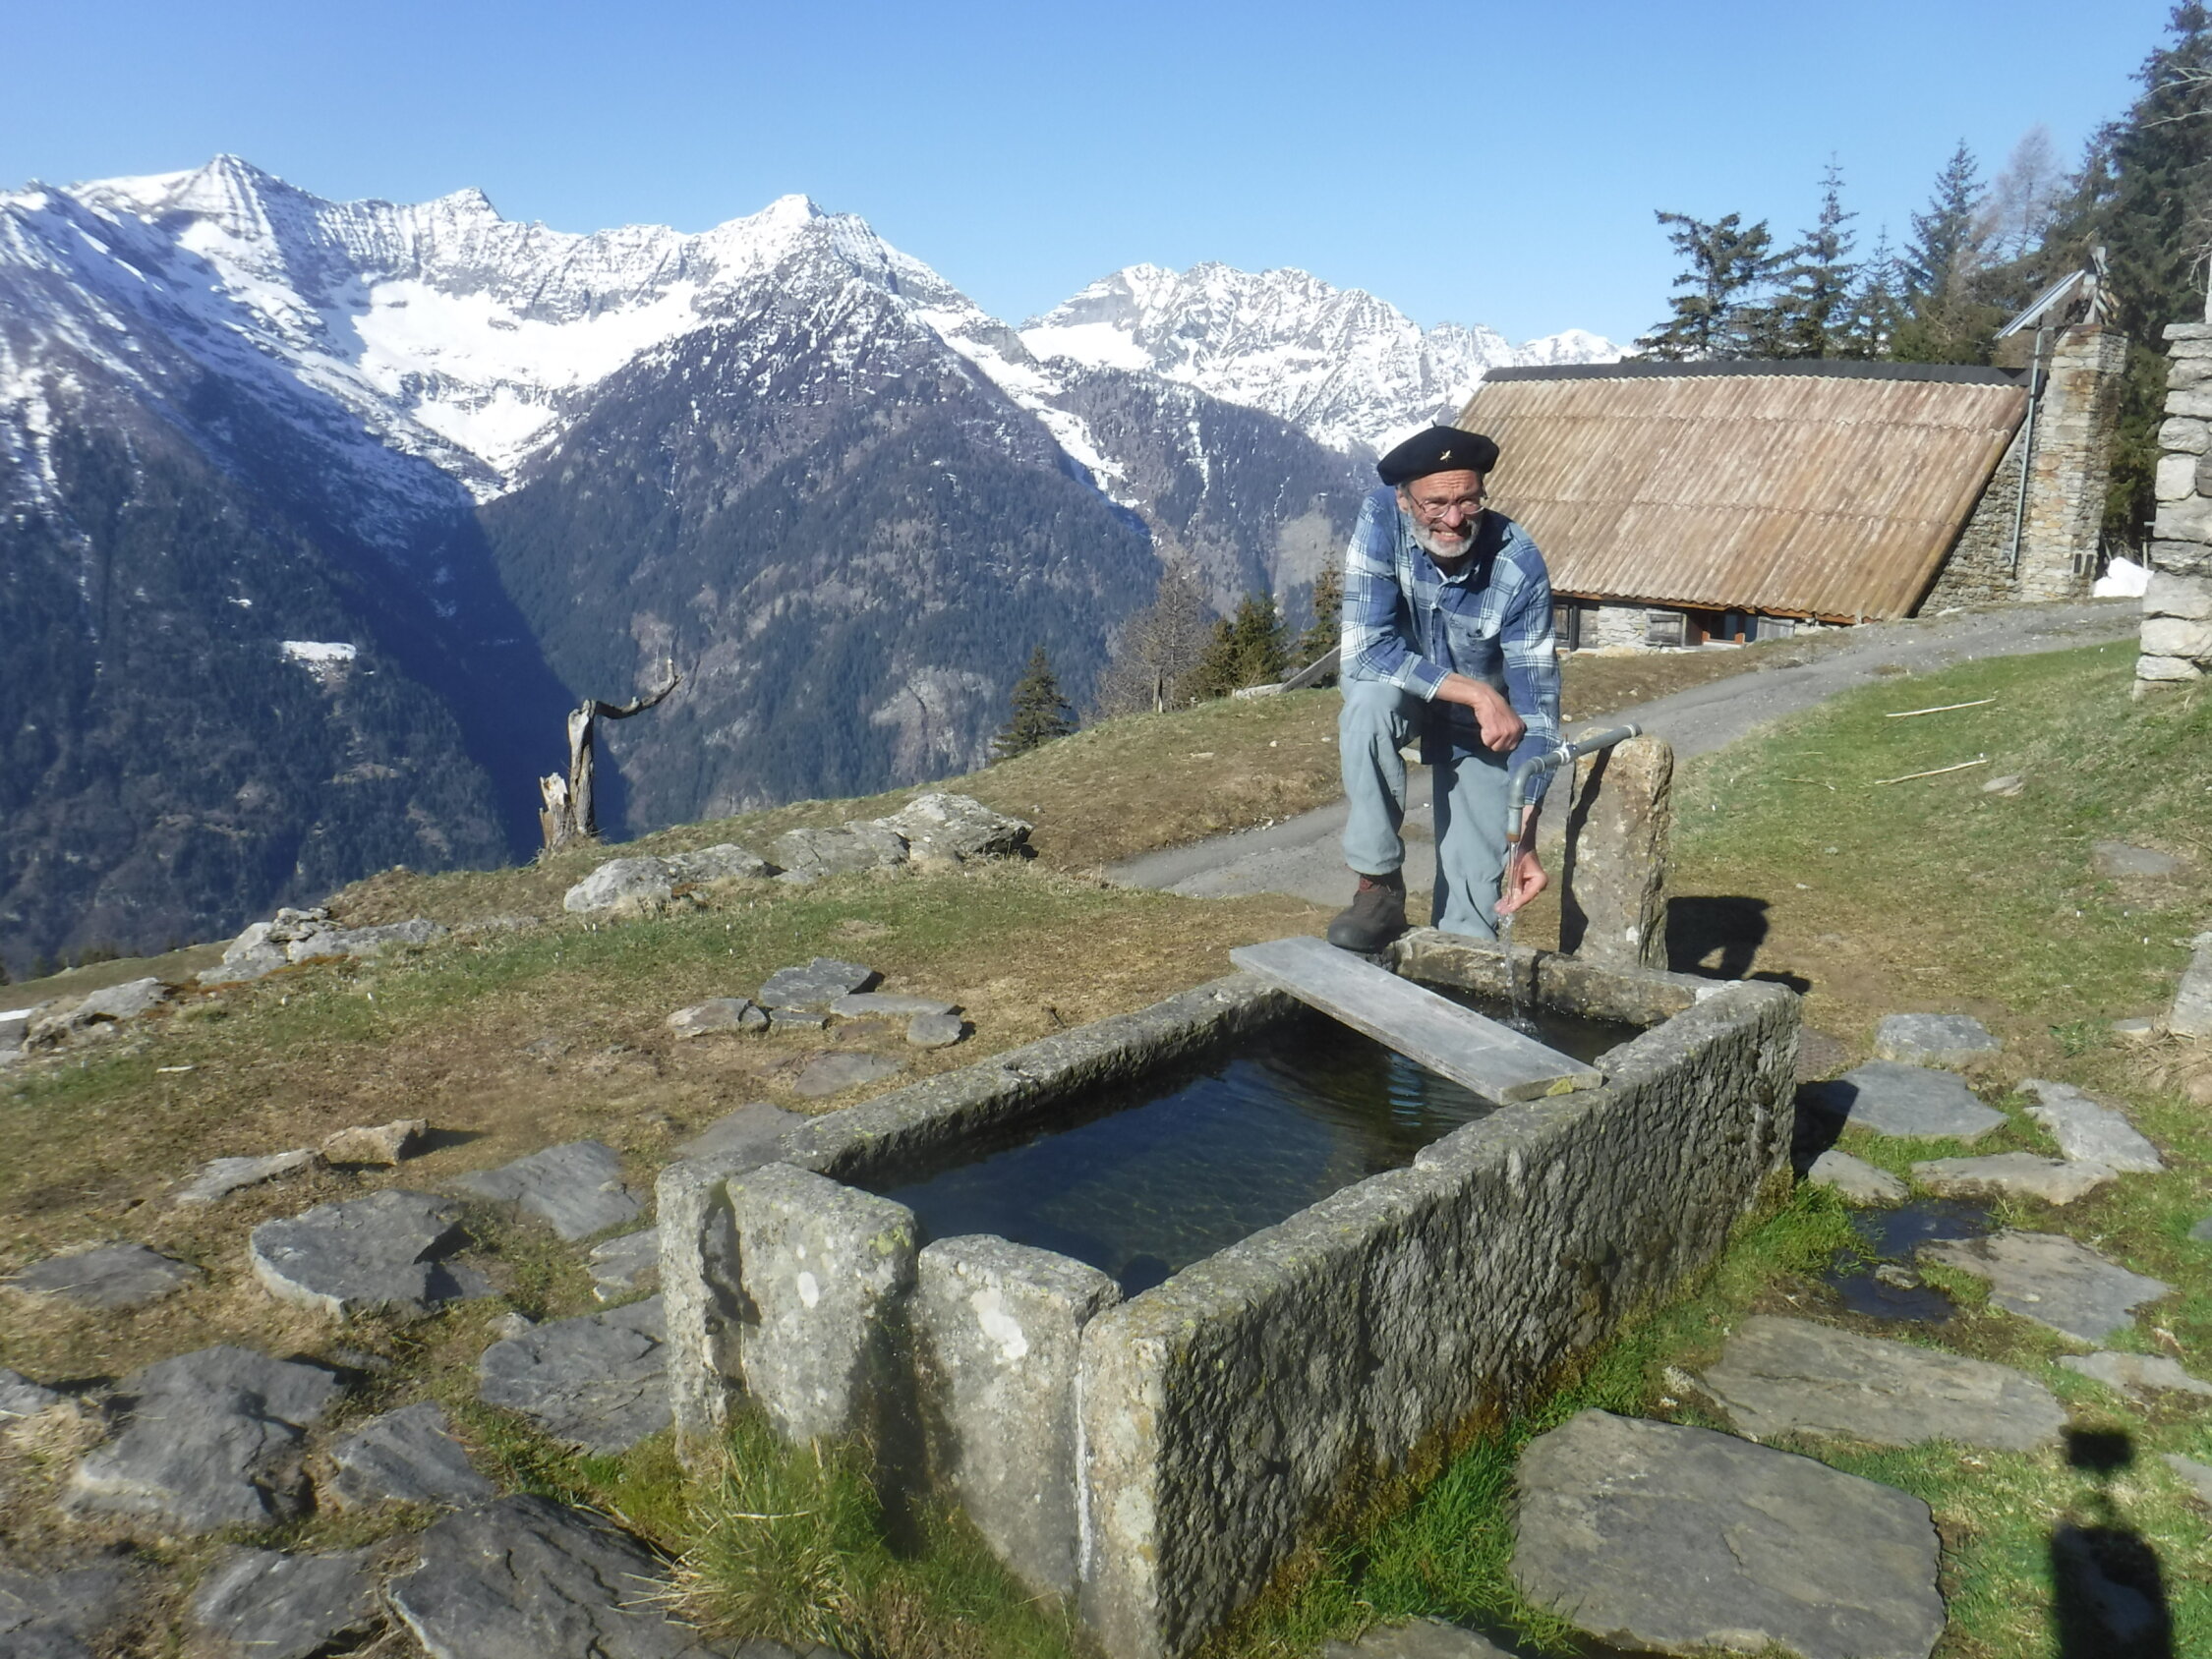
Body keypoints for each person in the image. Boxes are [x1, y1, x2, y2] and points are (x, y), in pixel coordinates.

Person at [1326, 425, 1561, 951]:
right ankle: (1378, 886)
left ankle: (1453, 975)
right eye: (1436, 504)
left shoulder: (1518, 564)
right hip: (1403, 688)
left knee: (1473, 911)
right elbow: (1367, 649)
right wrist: (1477, 692)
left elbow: (1538, 708)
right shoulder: (1380, 518)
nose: (1454, 519)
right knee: (1367, 707)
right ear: (1404, 500)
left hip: (1479, 729)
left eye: (1468, 500)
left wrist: (1524, 836)